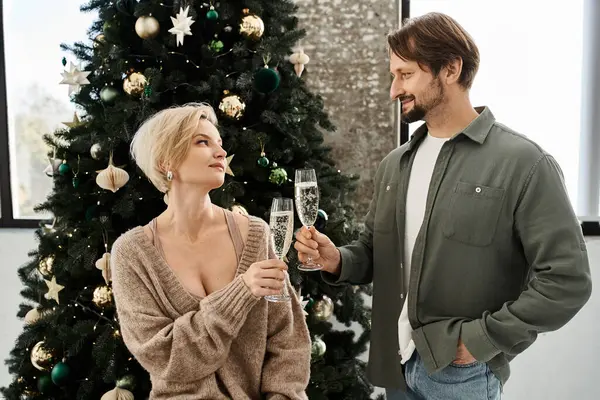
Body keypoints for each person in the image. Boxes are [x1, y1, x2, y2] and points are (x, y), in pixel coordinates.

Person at [295, 12, 592, 400]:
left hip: (461, 377)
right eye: (392, 76)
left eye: (405, 75)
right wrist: (336, 259)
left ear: (450, 69)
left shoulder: (524, 163)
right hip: (394, 368)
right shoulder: (394, 165)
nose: (392, 90)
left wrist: (481, 339)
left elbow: (568, 279)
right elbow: (374, 251)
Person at [111, 103, 311, 399]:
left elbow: (287, 338)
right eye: (203, 142)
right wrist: (241, 291)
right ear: (167, 161)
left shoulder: (254, 234)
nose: (220, 153)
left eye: (219, 143)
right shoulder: (131, 254)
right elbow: (165, 358)